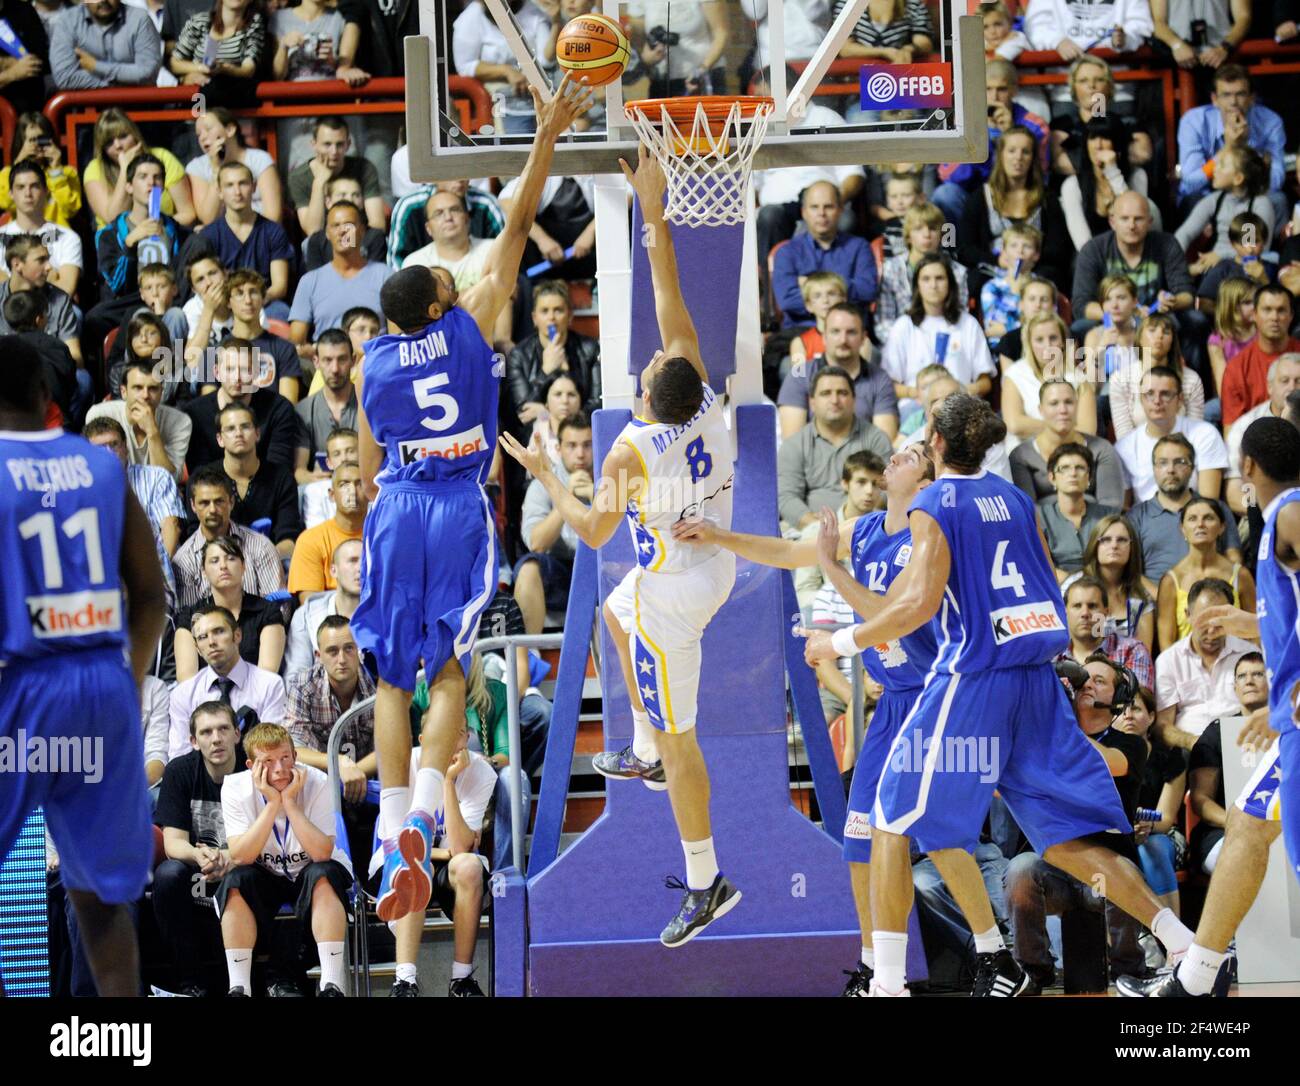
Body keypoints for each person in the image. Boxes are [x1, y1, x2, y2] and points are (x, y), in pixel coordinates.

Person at [799, 392, 1195, 997]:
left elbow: (916, 605)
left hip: (976, 680)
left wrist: (841, 642)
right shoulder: (1012, 497)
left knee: (889, 817)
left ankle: (886, 986)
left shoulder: (936, 502)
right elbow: (1044, 582)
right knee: (1065, 843)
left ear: (935, 442)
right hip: (1035, 676)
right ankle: (1185, 945)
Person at [351, 75, 593, 926]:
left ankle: (387, 833)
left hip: (393, 509)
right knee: (450, 668)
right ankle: (422, 809)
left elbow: (372, 454)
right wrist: (548, 133)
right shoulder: (476, 316)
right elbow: (519, 220)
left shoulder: (369, 364)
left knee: (389, 677)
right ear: (436, 304)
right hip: (457, 507)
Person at [501, 143, 748, 947]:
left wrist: (548, 470)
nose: (649, 359)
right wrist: (654, 207)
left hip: (676, 595)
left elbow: (593, 531)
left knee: (684, 744)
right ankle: (638, 747)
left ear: (647, 395)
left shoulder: (630, 451)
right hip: (703, 565)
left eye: (646, 369)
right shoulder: (703, 393)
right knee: (615, 607)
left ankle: (707, 881)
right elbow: (668, 283)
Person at [678, 442, 936, 992]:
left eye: (909, 455)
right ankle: (875, 967)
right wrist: (720, 536)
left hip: (931, 699)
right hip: (893, 704)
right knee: (859, 838)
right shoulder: (863, 530)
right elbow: (788, 552)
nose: (893, 456)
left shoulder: (928, 535)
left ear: (926, 479)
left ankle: (981, 953)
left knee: (940, 842)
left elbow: (891, 618)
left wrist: (831, 583)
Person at [0, 336, 167, 997]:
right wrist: (125, 683)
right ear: (47, 397)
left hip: (23, 684)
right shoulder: (100, 467)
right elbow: (151, 593)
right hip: (102, 683)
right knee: (98, 897)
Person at [1120, 416, 1300, 997]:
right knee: (1250, 825)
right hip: (1291, 720)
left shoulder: (1292, 512)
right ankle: (1196, 980)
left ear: (1245, 467)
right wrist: (1257, 624)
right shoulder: (1279, 520)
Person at [1004, 654, 1151, 990]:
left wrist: (1062, 725)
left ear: (1119, 696)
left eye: (1100, 681)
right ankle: (1033, 972)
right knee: (1019, 870)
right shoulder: (1043, 741)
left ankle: (1130, 971)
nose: (1088, 683)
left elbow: (1108, 765)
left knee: (1119, 877)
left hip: (1102, 872)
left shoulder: (1130, 743)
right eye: (1084, 678)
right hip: (1054, 869)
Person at [218, 722, 353, 997]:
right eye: (268, 761)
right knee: (235, 881)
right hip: (265, 871)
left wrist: (290, 803)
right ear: (250, 765)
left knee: (323, 873)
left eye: (285, 758)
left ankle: (331, 986)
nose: (279, 769)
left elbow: (321, 853)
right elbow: (241, 855)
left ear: (295, 756)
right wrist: (271, 805)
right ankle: (239, 988)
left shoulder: (318, 782)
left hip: (310, 869)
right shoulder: (234, 787)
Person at [390, 721, 496, 997]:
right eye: (442, 732)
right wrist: (436, 852)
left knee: (471, 866)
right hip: (400, 859)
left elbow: (460, 849)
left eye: (458, 733)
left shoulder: (481, 773)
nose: (450, 741)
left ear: (468, 738)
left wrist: (448, 780)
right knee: (414, 862)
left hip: (446, 863)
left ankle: (461, 980)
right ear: (424, 740)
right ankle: (404, 982)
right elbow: (400, 840)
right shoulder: (404, 764)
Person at [153, 700, 243, 997]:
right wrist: (199, 854)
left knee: (251, 873)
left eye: (223, 729)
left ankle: (258, 979)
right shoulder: (180, 771)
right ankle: (188, 982)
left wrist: (229, 857)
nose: (215, 738)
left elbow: (267, 836)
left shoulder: (252, 767)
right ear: (193, 741)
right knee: (168, 875)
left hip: (244, 863)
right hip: (198, 868)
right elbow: (172, 844)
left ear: (237, 734)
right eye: (206, 732)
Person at [1069, 193, 1203, 372]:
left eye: (1138, 219)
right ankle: (1091, 388)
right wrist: (1123, 314)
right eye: (1125, 219)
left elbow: (1187, 294)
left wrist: (1172, 302)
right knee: (1078, 328)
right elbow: (1081, 304)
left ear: (1149, 221)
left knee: (1195, 321)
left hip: (1156, 317)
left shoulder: (1167, 244)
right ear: (1112, 221)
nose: (1132, 226)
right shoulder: (1094, 249)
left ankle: (1184, 381)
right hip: (1110, 318)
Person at [285, 615, 377, 871]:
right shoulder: (302, 686)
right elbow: (294, 751)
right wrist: (339, 764)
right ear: (318, 654)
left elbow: (391, 746)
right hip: (321, 783)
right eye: (332, 651)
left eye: (349, 648)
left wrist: (355, 771)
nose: (342, 658)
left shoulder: (381, 683)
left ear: (358, 650)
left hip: (373, 781)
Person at [84, 414, 184, 610]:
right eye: (99, 448)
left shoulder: (156, 477)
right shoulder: (78, 491)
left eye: (114, 444)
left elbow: (171, 527)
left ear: (126, 449)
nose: (108, 452)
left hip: (153, 581)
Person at [933, 59, 1050, 224]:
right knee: (945, 194)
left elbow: (1040, 177)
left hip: (1017, 196)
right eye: (988, 89)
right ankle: (956, 249)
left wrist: (1010, 133)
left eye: (1002, 89)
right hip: (973, 195)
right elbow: (949, 176)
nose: (994, 96)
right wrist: (981, 137)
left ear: (1014, 90)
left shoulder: (1036, 126)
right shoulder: (960, 123)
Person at [778, 367, 894, 530]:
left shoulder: (876, 439)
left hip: (866, 528)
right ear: (812, 402)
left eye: (842, 393)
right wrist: (817, 528)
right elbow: (787, 497)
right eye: (826, 393)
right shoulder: (794, 445)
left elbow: (889, 489)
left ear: (854, 400)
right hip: (810, 532)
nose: (834, 400)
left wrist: (858, 524)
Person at [1185, 652, 1269, 876]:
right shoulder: (1216, 732)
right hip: (1221, 831)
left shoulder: (1291, 729)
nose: (1249, 680)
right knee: (1245, 864)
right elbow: (1200, 799)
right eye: (1242, 676)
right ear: (1235, 687)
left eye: (1258, 674)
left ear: (1271, 680)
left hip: (1282, 827)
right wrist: (1236, 823)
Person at [168, 604, 287, 760]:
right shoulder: (183, 694)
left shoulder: (269, 685)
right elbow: (179, 756)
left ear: (237, 635)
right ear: (197, 648)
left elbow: (273, 750)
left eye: (219, 631)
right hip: (200, 780)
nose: (211, 642)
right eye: (203, 637)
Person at [880, 255, 996, 409]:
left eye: (940, 278)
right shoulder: (903, 325)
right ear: (917, 286)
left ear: (950, 284)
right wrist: (916, 393)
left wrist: (958, 392)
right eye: (926, 279)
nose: (933, 285)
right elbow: (890, 384)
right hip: (916, 406)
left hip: (959, 406)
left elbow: (985, 382)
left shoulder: (968, 324)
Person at [1154, 577, 1255, 750]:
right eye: (1204, 620)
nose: (1211, 631)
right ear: (1187, 615)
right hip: (1189, 748)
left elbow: (1262, 710)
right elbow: (1162, 725)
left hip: (1241, 746)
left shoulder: (1250, 655)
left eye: (1220, 621)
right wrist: (1193, 742)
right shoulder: (1169, 660)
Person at [1127, 433, 1242, 584]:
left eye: (1180, 462)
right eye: (1162, 463)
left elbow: (1234, 558)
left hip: (1212, 598)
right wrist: (1162, 598)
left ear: (1192, 467)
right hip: (1154, 602)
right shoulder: (1136, 516)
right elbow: (1131, 572)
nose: (1170, 470)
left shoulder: (1215, 509)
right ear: (1154, 468)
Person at [514, 413, 591, 634]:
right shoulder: (542, 484)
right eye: (572, 445)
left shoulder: (609, 480)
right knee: (529, 567)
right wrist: (565, 498)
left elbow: (621, 543)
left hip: (598, 570)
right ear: (558, 448)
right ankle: (529, 657)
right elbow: (536, 543)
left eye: (587, 445)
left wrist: (596, 498)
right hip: (558, 571)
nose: (580, 454)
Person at [1176, 65, 1287, 217]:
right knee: (1194, 201)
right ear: (1215, 99)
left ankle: (1251, 240)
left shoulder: (1271, 122)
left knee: (1279, 200)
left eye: (1240, 94)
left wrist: (1245, 147)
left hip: (1251, 194)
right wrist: (1230, 147)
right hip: (1207, 194)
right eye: (1226, 95)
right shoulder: (1193, 121)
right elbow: (1191, 184)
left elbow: (1276, 180)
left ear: (1251, 98)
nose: (1234, 102)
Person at [956, 126, 1057, 291]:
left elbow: (1057, 247)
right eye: (1011, 151)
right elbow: (965, 248)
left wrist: (1029, 261)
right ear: (1001, 155)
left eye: (1025, 152)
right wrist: (997, 260)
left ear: (1033, 158)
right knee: (975, 280)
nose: (1018, 157)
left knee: (1052, 276)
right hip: (992, 269)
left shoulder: (1046, 198)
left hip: (1035, 269)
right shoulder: (981, 196)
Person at [778, 304, 899, 442]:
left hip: (863, 461)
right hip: (812, 462)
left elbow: (884, 443)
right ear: (824, 337)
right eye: (835, 331)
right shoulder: (799, 376)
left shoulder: (880, 379)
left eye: (851, 332)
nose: (843, 340)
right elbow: (792, 442)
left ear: (863, 338)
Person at [172, 464, 285, 609]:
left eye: (219, 501)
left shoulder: (261, 546)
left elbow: (279, 610)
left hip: (261, 630)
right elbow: (190, 621)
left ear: (231, 502)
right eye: (204, 503)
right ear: (193, 506)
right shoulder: (183, 561)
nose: (212, 509)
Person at [174, 535, 286, 680]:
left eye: (231, 558)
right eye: (214, 561)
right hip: (204, 700)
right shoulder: (189, 616)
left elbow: (267, 677)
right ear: (204, 571)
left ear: (244, 566)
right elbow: (187, 680)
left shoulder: (267, 612)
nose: (223, 566)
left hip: (256, 698)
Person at [289, 202, 392, 357]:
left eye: (348, 225)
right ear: (327, 233)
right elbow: (297, 341)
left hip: (376, 362)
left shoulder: (385, 276)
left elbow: (398, 336)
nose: (342, 231)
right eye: (335, 226)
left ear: (362, 231)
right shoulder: (310, 281)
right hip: (327, 365)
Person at [771, 181, 879, 327]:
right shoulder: (787, 252)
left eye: (828, 207)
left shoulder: (859, 247)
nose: (821, 213)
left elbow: (867, 291)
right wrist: (840, 291)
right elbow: (787, 301)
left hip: (849, 332)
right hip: (800, 333)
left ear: (840, 210)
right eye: (814, 207)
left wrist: (811, 285)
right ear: (804, 212)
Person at [197, 162, 295, 320]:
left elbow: (279, 286)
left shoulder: (272, 231)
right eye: (229, 185)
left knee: (281, 312)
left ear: (254, 187)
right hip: (223, 304)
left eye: (243, 183)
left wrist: (251, 302)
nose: (237, 192)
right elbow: (205, 283)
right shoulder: (209, 236)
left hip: (262, 302)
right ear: (219, 191)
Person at [204, 400, 303, 557]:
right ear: (219, 439)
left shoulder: (281, 477)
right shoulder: (204, 480)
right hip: (218, 564)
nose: (238, 433)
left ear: (257, 433)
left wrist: (260, 560)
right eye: (230, 429)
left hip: (271, 562)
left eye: (245, 426)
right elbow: (199, 535)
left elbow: (289, 540)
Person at [184, 338, 299, 472]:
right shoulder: (196, 413)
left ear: (256, 372)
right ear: (216, 373)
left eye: (245, 369)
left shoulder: (279, 408)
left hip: (265, 488)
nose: (237, 377)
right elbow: (199, 474)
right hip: (214, 490)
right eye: (229, 369)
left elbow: (279, 469)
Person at [1115, 368, 1228, 503]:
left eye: (1165, 394)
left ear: (1180, 399)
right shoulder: (1124, 447)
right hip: (1143, 521)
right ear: (1141, 399)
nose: (1157, 401)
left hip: (1194, 518)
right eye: (1149, 394)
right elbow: (1124, 507)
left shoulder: (1205, 434)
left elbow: (1209, 502)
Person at [1156, 498, 1255, 648]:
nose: (1200, 524)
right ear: (1182, 529)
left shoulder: (1241, 575)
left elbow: (1255, 633)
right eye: (1192, 519)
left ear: (1222, 527)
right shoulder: (1171, 580)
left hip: (1234, 665)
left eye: (1208, 518)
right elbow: (1166, 644)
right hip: (1186, 667)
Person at [1010, 379, 1124, 507]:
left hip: (1095, 525)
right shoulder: (1021, 455)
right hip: (1041, 526)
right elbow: (1026, 510)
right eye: (1054, 403)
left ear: (1077, 407)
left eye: (1069, 402)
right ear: (1041, 410)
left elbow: (1111, 505)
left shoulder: (1102, 449)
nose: (1063, 410)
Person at [505, 280, 602, 425]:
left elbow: (597, 406)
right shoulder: (519, 355)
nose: (551, 318)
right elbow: (523, 414)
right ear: (534, 318)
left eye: (558, 310)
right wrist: (546, 371)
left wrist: (547, 413)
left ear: (569, 316)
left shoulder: (590, 349)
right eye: (544, 311)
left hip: (580, 433)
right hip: (535, 437)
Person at [81, 108, 195, 230]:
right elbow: (112, 219)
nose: (118, 145)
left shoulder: (161, 158)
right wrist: (126, 168)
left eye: (123, 136)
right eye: (109, 142)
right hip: (117, 243)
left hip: (161, 236)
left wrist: (155, 227)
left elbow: (188, 214)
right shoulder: (95, 169)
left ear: (135, 134)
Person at [1058, 113, 1156, 254]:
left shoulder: (1137, 177)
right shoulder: (1072, 186)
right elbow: (1082, 243)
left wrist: (1112, 171)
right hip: (1091, 258)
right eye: (1092, 138)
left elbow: (1136, 225)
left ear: (1117, 143)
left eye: (1105, 138)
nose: (1098, 145)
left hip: (1133, 253)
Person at [874, 203, 970, 342]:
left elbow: (960, 318)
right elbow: (884, 323)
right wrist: (907, 344)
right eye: (918, 229)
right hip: (900, 344)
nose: (926, 235)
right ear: (908, 235)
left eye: (932, 229)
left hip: (944, 343)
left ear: (941, 235)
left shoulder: (957, 272)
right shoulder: (891, 269)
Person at [86, 360, 193, 479]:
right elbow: (95, 470)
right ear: (123, 392)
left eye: (153, 388)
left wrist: (152, 432)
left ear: (161, 393)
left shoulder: (179, 421)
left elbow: (169, 480)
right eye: (138, 388)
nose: (145, 395)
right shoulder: (101, 414)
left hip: (156, 494)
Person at [1069, 513, 1159, 652]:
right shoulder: (1074, 585)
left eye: (1122, 540)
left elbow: (1143, 653)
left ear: (1131, 547)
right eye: (1106, 539)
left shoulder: (1140, 595)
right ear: (1095, 544)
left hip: (1127, 668)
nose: (1114, 545)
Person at [1109, 312, 1206, 440]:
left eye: (1166, 332)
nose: (1159, 335)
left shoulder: (1191, 379)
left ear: (1172, 341)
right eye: (1152, 330)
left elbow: (1196, 432)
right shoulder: (1121, 379)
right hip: (1136, 453)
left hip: (1181, 450)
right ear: (1139, 337)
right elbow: (1124, 436)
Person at [1176, 145, 1274, 271]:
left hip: (1245, 267)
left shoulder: (1259, 204)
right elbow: (1185, 233)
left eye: (1221, 165)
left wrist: (1221, 256)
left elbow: (1252, 249)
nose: (1214, 169)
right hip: (1213, 265)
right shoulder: (1214, 200)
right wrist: (1175, 262)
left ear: (1238, 178)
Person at [1002, 313, 1098, 442]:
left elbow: (1087, 431)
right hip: (1024, 457)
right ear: (1029, 344)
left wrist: (1036, 426)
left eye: (1053, 338)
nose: (1047, 345)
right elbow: (1014, 425)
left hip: (1070, 456)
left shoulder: (1080, 380)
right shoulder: (1014, 375)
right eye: (1039, 339)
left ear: (1063, 342)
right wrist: (1063, 428)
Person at [286, 117, 386, 237]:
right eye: (327, 144)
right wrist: (319, 182)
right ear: (314, 145)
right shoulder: (298, 177)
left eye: (339, 144)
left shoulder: (364, 168)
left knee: (379, 240)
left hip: (360, 238)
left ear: (348, 145)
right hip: (323, 243)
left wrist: (351, 242)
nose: (334, 152)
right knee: (308, 244)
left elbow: (378, 225)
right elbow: (313, 231)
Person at [1226, 354, 1300, 514]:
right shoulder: (1244, 426)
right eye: (1284, 380)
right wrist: (1264, 514)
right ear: (1270, 387)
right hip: (1256, 512)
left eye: (1298, 381)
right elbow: (1234, 493)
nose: (1292, 387)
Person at [186, 107, 283, 226]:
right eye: (198, 134)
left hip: (259, 230)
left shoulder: (260, 159)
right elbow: (208, 219)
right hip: (221, 234)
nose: (202, 137)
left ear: (230, 130)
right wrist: (216, 168)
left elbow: (274, 216)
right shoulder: (196, 167)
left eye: (208, 129)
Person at [0, 157, 83, 297]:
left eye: (34, 186)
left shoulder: (67, 237)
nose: (28, 194)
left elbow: (66, 290)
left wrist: (17, 278)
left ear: (46, 191)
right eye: (20, 187)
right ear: (11, 194)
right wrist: (48, 278)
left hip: (53, 310)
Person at [1221, 284, 1300, 428]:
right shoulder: (1237, 367)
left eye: (1281, 310)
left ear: (1291, 316)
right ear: (1254, 315)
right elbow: (1232, 430)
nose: (1274, 317)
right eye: (1267, 310)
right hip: (1257, 444)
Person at [288, 462, 366, 603]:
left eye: (360, 484)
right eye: (344, 485)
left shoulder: (384, 537)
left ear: (370, 492)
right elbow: (310, 604)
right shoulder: (311, 540)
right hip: (329, 620)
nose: (352, 491)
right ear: (332, 495)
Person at [1056, 576, 1154, 687]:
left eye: (1092, 606)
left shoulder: (1132, 651)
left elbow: (1137, 702)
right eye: (1077, 606)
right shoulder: (1052, 656)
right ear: (1065, 612)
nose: (1085, 613)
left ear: (1106, 612)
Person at [1037, 444, 1118, 577]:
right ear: (1052, 478)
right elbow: (1036, 564)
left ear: (1089, 478)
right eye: (1064, 468)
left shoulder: (1108, 516)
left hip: (1102, 583)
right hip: (1057, 586)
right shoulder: (1040, 518)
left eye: (1080, 468)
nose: (1073, 473)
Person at [167, 0, 266, 107]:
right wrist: (200, 69)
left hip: (233, 95)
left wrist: (224, 69)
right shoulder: (200, 21)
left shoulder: (254, 24)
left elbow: (248, 70)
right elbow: (174, 63)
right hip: (198, 94)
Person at [286, 538, 361, 677]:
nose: (361, 568)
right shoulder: (306, 615)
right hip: (317, 697)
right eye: (353, 561)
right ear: (333, 570)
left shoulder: (388, 614)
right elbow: (294, 678)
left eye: (368, 562)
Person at [0, 292, 77, 427]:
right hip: (57, 421)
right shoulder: (57, 346)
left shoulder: (4, 349)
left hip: (10, 423)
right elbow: (70, 385)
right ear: (38, 319)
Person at [49, 0, 162, 90]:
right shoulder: (67, 22)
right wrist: (122, 82)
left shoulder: (139, 19)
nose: (103, 1)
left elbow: (147, 73)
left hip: (137, 109)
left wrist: (95, 66)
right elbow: (65, 78)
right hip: (85, 112)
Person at [295, 331, 359, 483]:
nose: (335, 369)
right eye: (327, 360)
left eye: (342, 359)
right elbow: (299, 471)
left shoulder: (370, 404)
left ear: (353, 360)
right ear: (316, 362)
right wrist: (312, 479)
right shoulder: (303, 411)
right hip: (320, 490)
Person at [304, 175, 388, 272]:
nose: (350, 199)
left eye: (356, 195)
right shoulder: (317, 241)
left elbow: (377, 275)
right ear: (328, 201)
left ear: (362, 200)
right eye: (342, 195)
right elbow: (315, 278)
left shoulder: (375, 236)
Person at [302, 427, 358, 528]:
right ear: (329, 463)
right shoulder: (314, 491)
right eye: (337, 454)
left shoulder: (374, 488)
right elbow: (316, 535)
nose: (344, 459)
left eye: (350, 451)